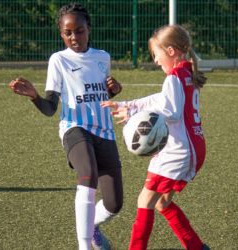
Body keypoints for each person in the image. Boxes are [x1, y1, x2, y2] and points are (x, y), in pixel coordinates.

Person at [9, 3, 123, 249]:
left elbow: (99, 96)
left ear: (88, 29)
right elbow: (51, 107)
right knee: (88, 175)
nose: (74, 37)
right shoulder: (58, 60)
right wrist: (34, 97)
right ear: (61, 34)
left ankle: (91, 226)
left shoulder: (102, 58)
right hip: (74, 128)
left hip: (104, 131)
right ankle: (84, 245)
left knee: (115, 203)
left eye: (79, 31)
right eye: (67, 33)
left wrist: (113, 90)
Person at [101, 24, 209, 250]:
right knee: (162, 202)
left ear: (170, 51)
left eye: (156, 55)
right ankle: (196, 246)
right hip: (194, 147)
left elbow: (171, 111)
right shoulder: (186, 72)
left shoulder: (174, 77)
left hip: (177, 152)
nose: (156, 61)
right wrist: (128, 105)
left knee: (145, 201)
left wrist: (132, 112)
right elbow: (161, 100)